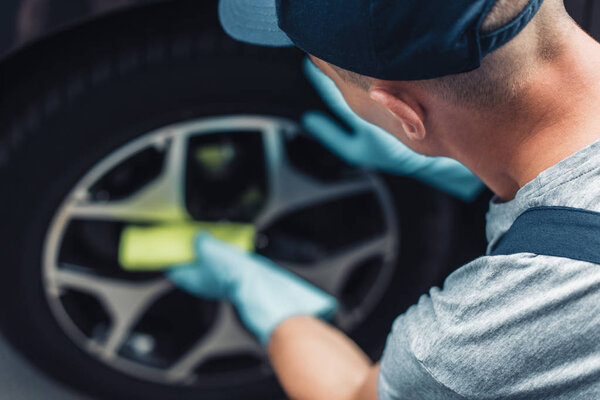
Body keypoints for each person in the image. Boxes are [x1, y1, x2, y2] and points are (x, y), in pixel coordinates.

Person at [168, 0, 600, 398]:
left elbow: (351, 392)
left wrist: (263, 298)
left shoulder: (491, 326)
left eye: (333, 78)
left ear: (403, 114)